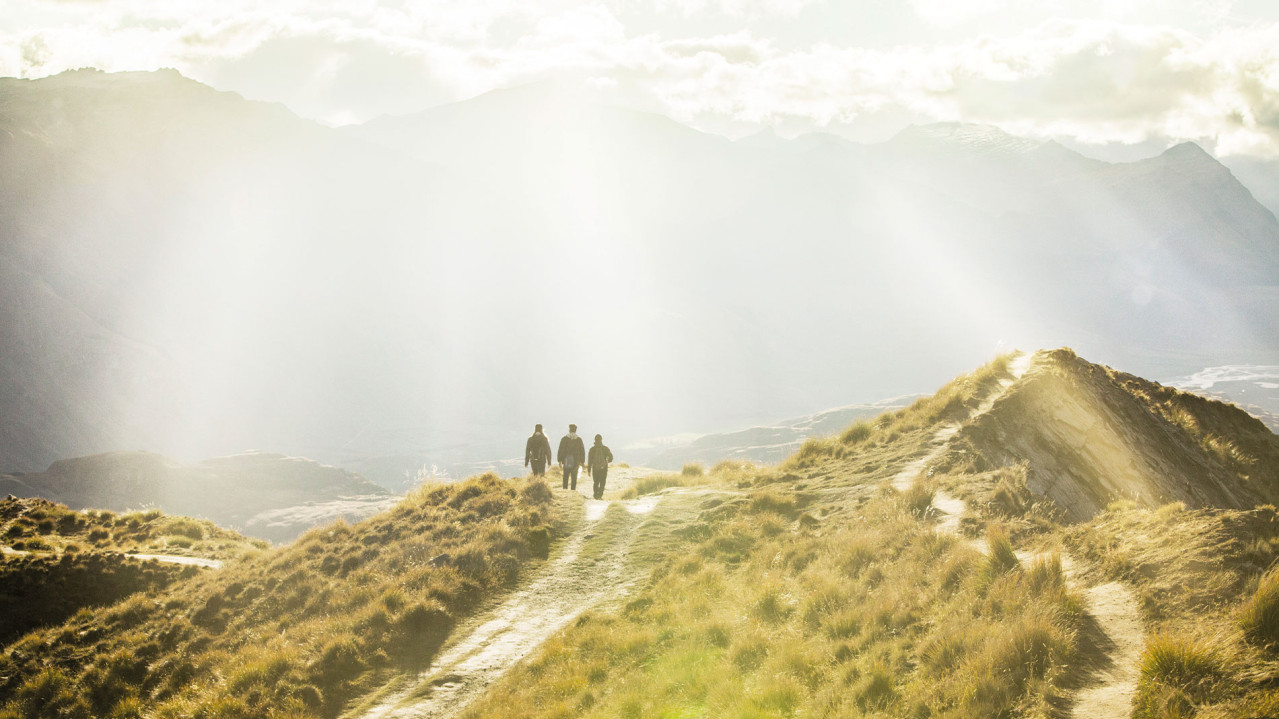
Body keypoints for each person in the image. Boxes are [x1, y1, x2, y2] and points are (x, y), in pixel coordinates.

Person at [557, 424, 586, 491]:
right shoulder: (579, 439)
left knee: (566, 475)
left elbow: (561, 449)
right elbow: (582, 451)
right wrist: (582, 461)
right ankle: (573, 489)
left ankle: (565, 488)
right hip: (576, 459)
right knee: (574, 475)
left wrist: (560, 460)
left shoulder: (564, 439)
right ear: (576, 430)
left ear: (569, 430)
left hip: (567, 459)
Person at [587, 434, 613, 500]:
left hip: (595, 468)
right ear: (601, 440)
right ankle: (600, 495)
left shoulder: (592, 449)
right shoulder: (605, 448)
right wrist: (607, 461)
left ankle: (595, 494)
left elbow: (589, 461)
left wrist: (589, 470)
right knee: (602, 482)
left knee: (596, 482)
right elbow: (611, 458)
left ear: (595, 440)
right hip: (603, 468)